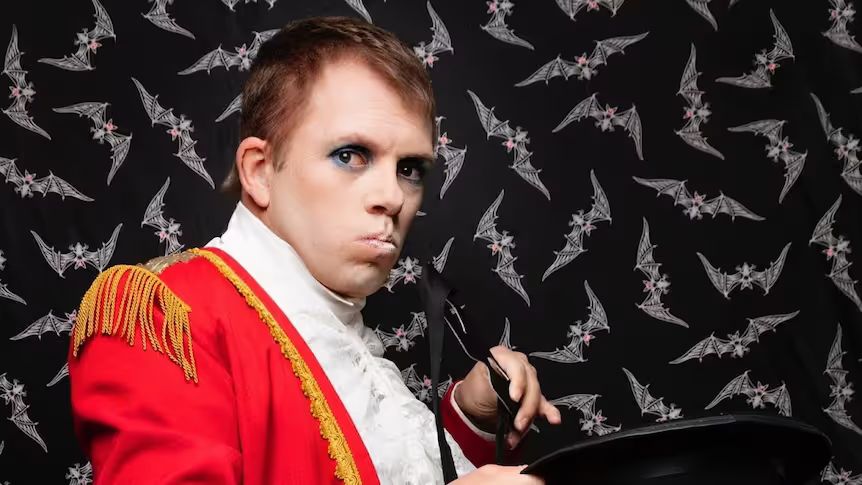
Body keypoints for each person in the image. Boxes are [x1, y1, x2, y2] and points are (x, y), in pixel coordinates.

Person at [68, 16, 561, 484]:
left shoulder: (340, 325)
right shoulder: (165, 315)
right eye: (350, 155)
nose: (393, 196)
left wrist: (468, 420)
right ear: (260, 171)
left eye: (410, 168)